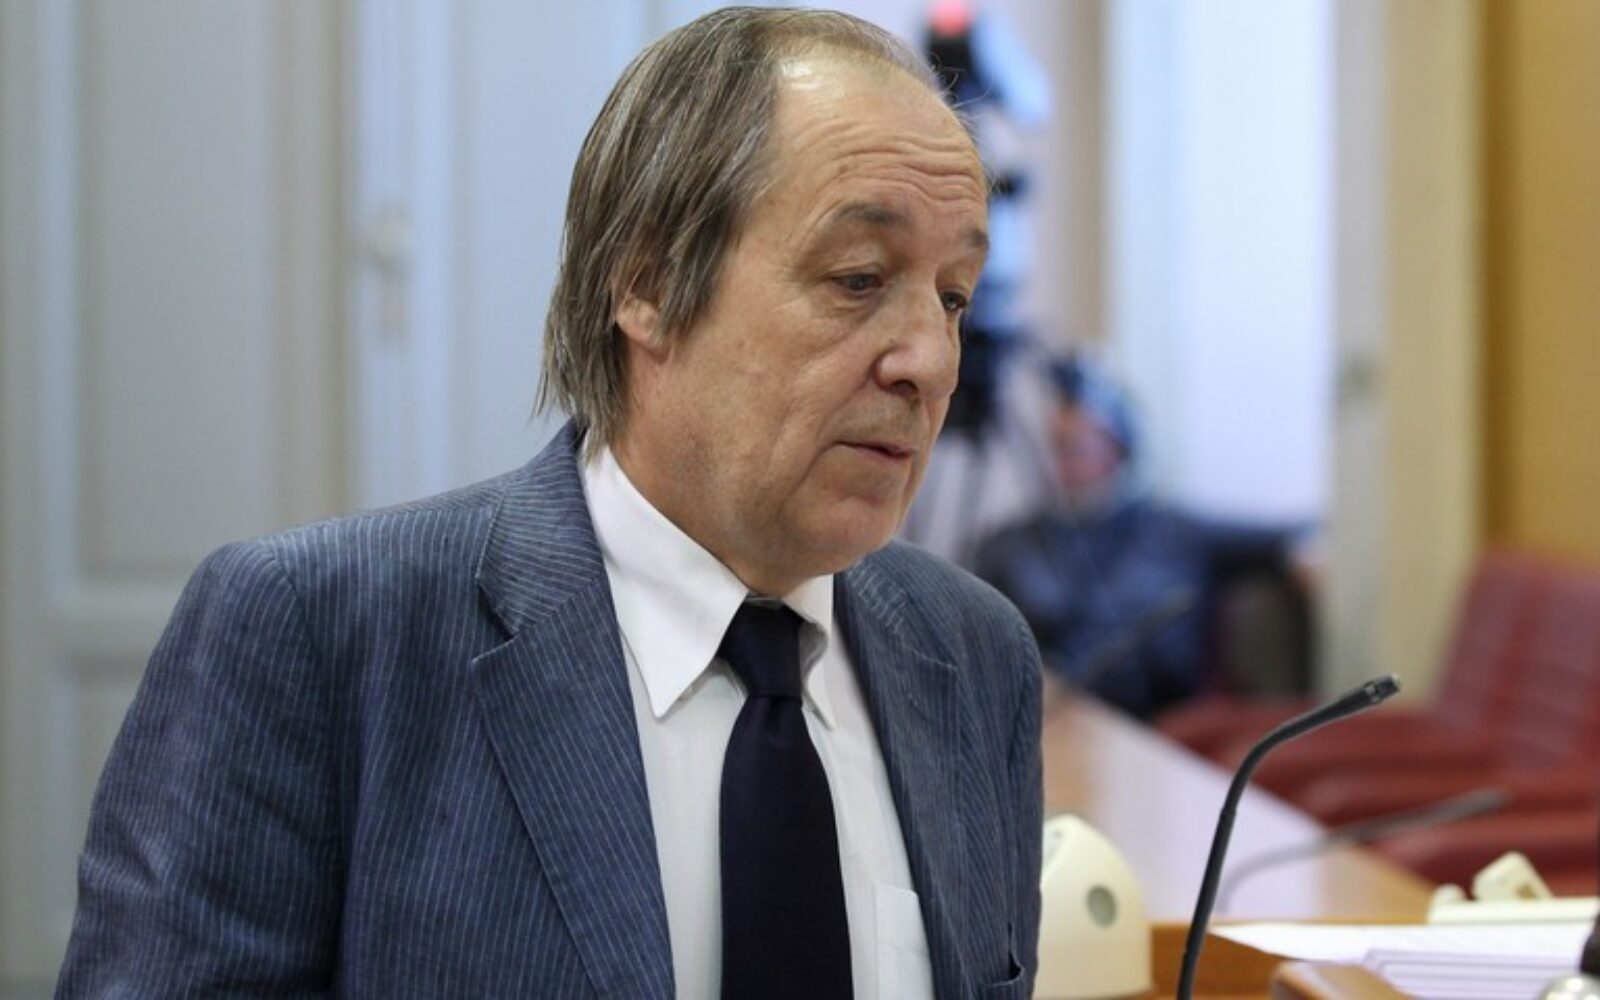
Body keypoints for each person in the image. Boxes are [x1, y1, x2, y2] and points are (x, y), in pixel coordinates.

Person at [57, 8, 1042, 999]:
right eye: (858, 278)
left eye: (953, 296)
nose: (928, 361)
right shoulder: (317, 637)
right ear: (647, 283)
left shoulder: (975, 657)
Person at [975, 354, 1302, 720]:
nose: (1063, 462)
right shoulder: (1011, 545)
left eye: (1076, 446)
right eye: (1057, 446)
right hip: (1051, 719)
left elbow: (1289, 536)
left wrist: (1309, 557)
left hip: (1166, 726)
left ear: (1118, 445)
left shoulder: (1174, 531)